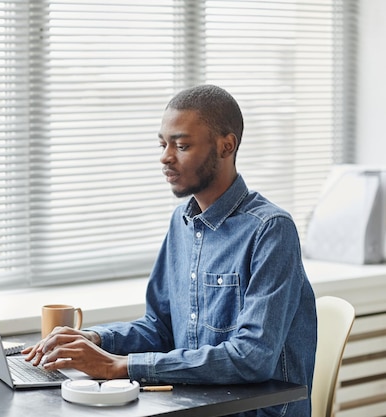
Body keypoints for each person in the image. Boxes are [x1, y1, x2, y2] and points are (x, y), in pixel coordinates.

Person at [23, 84, 317, 417]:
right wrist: (95, 339)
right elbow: (160, 328)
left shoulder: (270, 229)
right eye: (163, 144)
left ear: (226, 145)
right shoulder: (182, 221)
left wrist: (122, 366)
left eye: (182, 145)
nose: (165, 157)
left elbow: (252, 357)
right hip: (193, 403)